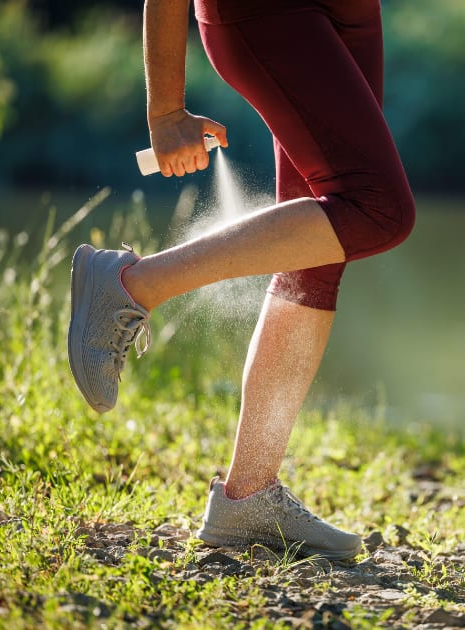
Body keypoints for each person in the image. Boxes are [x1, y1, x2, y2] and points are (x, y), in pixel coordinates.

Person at [66, 0, 415, 561]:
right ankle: (133, 284)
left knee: (316, 258)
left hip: (351, 14)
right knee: (378, 208)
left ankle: (249, 494)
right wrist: (165, 109)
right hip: (269, 11)